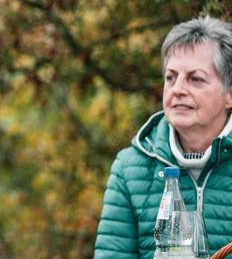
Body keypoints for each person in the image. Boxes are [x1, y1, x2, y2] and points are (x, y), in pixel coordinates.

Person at [94, 16, 232, 258]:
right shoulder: (130, 168)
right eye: (171, 77)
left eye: (195, 79)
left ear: (229, 95)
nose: (177, 89)